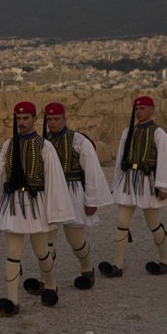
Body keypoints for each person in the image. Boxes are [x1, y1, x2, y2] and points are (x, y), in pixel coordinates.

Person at [0, 101, 74, 314]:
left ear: (34, 119)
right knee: (13, 253)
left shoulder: (45, 146)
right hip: (13, 204)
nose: (22, 122)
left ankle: (51, 285)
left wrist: (54, 212)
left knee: (42, 252)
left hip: (36, 204)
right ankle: (13, 301)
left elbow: (54, 180)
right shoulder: (8, 145)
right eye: (18, 118)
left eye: (26, 118)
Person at [100, 95, 167, 277]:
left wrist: (163, 185)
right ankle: (117, 264)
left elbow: (164, 159)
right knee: (122, 222)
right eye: (137, 109)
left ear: (152, 110)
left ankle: (165, 260)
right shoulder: (127, 132)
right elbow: (121, 160)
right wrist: (117, 183)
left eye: (143, 109)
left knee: (153, 223)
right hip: (130, 180)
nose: (139, 112)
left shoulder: (158, 133)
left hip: (148, 181)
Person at [38, 101, 112, 290]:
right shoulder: (42, 143)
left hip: (73, 193)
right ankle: (46, 280)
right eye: (50, 119)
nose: (53, 122)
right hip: (50, 194)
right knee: (47, 241)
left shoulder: (79, 141)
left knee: (75, 239)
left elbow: (92, 171)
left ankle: (87, 269)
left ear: (65, 118)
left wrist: (92, 200)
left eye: (56, 119)